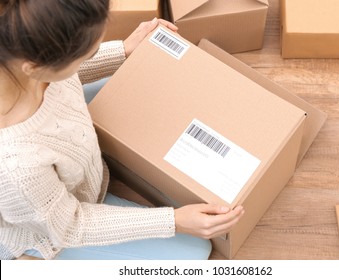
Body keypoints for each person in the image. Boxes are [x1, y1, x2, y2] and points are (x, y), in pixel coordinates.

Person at [0, 0, 244, 260]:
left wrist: (124, 50)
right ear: (37, 67)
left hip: (66, 150)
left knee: (144, 69)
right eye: (89, 52)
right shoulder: (18, 169)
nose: (95, 51)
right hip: (51, 227)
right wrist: (174, 221)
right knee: (195, 252)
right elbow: (70, 225)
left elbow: (70, 72)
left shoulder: (20, 52)